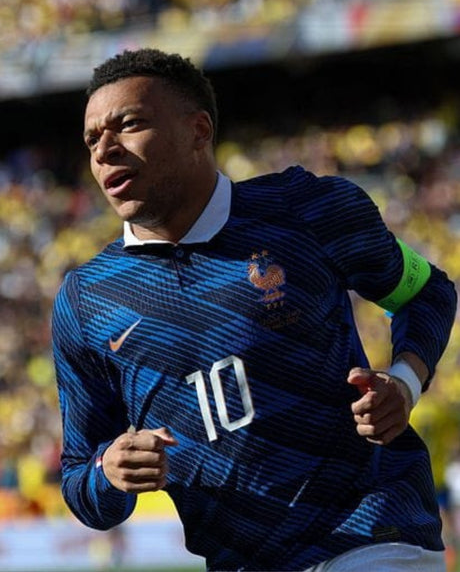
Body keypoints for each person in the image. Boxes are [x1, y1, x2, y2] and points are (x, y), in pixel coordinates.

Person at [52, 48, 457, 572]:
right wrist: (109, 471)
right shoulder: (86, 300)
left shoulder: (306, 208)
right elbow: (80, 479)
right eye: (91, 140)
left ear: (199, 130)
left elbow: (426, 291)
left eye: (128, 125)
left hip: (372, 534)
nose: (105, 150)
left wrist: (404, 382)